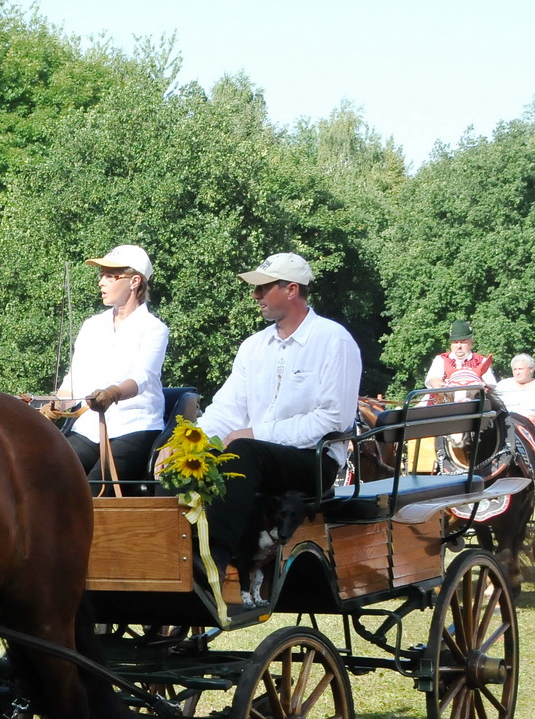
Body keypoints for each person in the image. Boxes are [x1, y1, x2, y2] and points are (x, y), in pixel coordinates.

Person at [192, 253, 362, 590]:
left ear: (291, 290)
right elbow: (226, 408)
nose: (255, 295)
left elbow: (332, 419)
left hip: (314, 460)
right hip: (257, 455)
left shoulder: (334, 340)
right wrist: (190, 443)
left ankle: (210, 563)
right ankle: (172, 555)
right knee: (184, 462)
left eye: (263, 288)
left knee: (242, 451)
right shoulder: (253, 347)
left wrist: (256, 433)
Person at [53, 244, 168, 483]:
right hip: (87, 429)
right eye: (101, 275)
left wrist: (112, 393)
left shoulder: (154, 329)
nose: (101, 282)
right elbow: (75, 380)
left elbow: (141, 378)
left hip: (135, 428)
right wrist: (54, 405)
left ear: (134, 281)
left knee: (93, 490)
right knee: (48, 476)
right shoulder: (92, 326)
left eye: (109, 276)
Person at [425, 320, 495, 390]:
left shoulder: (481, 361)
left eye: (462, 342)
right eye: (455, 342)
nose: (459, 346)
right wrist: (440, 386)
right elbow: (434, 380)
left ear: (471, 342)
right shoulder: (441, 359)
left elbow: (491, 385)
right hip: (446, 399)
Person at [494, 354, 535, 425]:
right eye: (515, 369)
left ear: (531, 370)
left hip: (531, 426)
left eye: (520, 369)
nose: (517, 373)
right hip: (506, 425)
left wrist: (526, 421)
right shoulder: (503, 385)